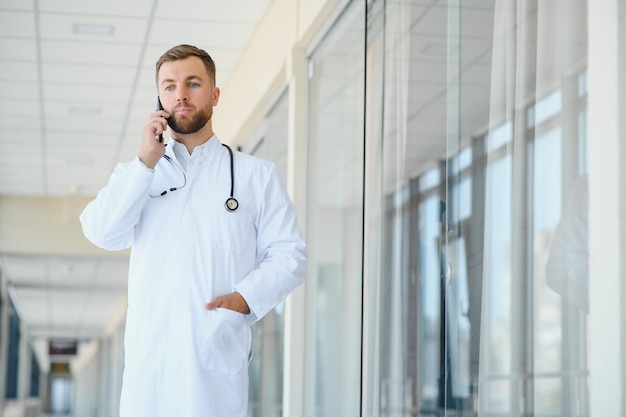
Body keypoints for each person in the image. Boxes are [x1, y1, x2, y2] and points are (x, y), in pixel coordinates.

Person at [80, 44, 307, 417]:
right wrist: (144, 165)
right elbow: (102, 232)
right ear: (159, 98)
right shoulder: (137, 174)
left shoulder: (254, 175)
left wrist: (243, 300)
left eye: (193, 83)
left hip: (213, 361)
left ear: (214, 94)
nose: (180, 94)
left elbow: (290, 256)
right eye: (168, 86)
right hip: (149, 369)